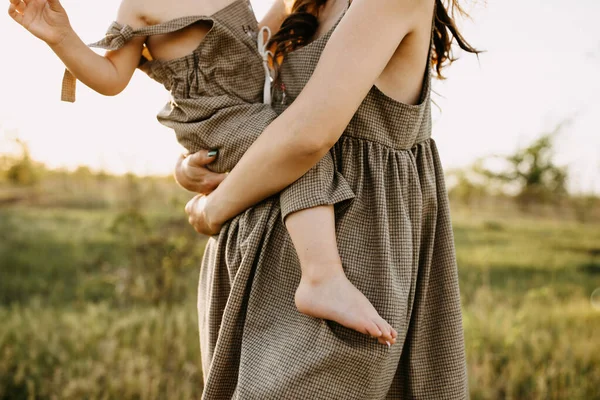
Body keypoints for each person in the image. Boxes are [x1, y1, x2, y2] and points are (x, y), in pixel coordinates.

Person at [7, 0, 397, 345]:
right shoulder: (140, 6)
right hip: (212, 119)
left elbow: (263, 48)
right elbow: (111, 78)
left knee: (289, 139)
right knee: (291, 147)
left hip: (254, 109)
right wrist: (60, 37)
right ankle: (321, 277)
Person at [178, 0, 479, 397]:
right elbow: (231, 98)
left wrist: (211, 209)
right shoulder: (296, 4)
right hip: (253, 248)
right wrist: (192, 164)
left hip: (350, 251)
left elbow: (307, 137)